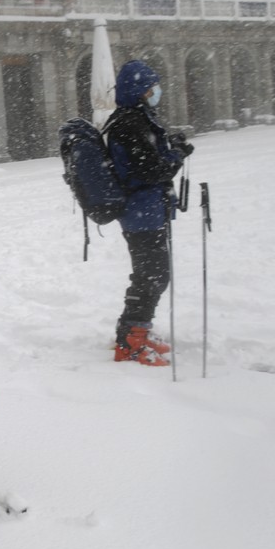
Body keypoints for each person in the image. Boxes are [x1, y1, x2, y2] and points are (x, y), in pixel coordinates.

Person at [106, 60, 194, 366]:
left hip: (146, 211)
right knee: (152, 276)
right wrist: (178, 154)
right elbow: (151, 169)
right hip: (140, 213)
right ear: (140, 91)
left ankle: (135, 331)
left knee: (151, 274)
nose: (157, 92)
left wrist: (171, 146)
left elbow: (148, 160)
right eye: (152, 87)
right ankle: (130, 342)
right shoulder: (130, 124)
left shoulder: (135, 119)